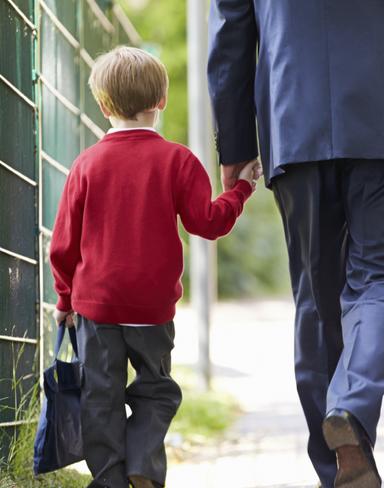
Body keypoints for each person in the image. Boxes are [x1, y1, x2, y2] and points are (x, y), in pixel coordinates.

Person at [208, 1, 384, 486]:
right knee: (382, 279)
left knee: (316, 298)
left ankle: (335, 468)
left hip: (293, 110)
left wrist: (237, 144)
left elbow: (232, 29)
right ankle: (350, 407)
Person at [50, 46, 260, 488]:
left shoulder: (86, 165)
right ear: (161, 101)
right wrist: (240, 189)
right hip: (152, 306)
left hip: (98, 305)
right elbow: (208, 222)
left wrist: (65, 298)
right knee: (156, 388)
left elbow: (64, 244)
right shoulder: (178, 160)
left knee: (100, 397)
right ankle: (144, 464)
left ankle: (109, 479)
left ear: (103, 105)